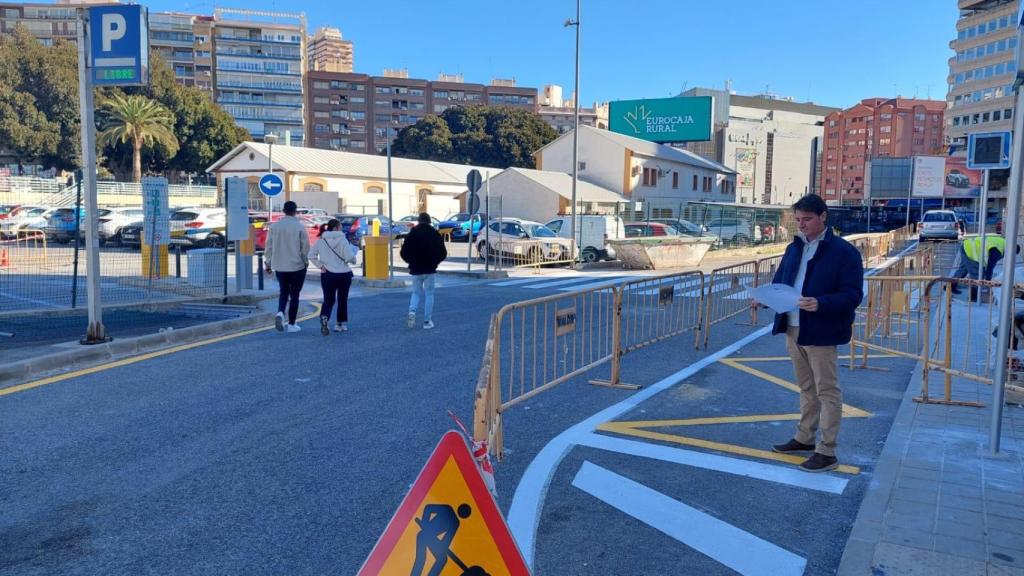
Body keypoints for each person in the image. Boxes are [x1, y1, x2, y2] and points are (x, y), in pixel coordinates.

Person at [764, 194, 864, 473]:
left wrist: (822, 303)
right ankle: (804, 438)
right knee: (807, 389)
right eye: (797, 220)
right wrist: (766, 298)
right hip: (793, 326)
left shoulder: (844, 252)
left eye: (807, 219)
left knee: (827, 390)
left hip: (822, 329)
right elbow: (780, 283)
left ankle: (827, 451)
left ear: (823, 217)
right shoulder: (794, 248)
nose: (801, 225)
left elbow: (853, 295)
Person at [264, 200, 310, 333]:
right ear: (295, 212)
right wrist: (305, 261)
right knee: (295, 294)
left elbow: (269, 246)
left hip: (280, 266)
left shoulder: (274, 227)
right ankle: (292, 324)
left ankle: (280, 312)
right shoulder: (300, 227)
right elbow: (305, 247)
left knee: (283, 291)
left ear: (283, 211)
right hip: (297, 266)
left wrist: (268, 263)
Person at [308, 218, 357, 336]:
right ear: (335, 228)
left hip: (327, 274)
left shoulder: (321, 240)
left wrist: (320, 266)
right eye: (340, 226)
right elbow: (350, 257)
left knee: (328, 300)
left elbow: (311, 255)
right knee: (342, 299)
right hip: (343, 275)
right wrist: (353, 259)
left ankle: (325, 316)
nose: (341, 229)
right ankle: (340, 324)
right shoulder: (343, 240)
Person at [400, 212, 447, 330]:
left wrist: (411, 262)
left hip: (416, 269)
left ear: (419, 221)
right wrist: (435, 262)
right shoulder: (435, 234)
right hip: (430, 269)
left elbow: (403, 252)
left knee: (415, 293)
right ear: (429, 221)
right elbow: (443, 253)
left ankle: (412, 311)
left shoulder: (412, 234)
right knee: (429, 294)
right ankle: (427, 321)